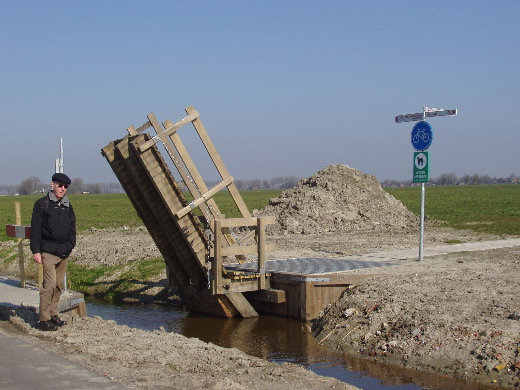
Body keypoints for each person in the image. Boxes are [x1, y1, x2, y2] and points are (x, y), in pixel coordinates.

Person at [30, 173, 76, 331]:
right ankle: (43, 319)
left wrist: (71, 245)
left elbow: (72, 228)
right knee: (48, 285)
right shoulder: (41, 204)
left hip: (64, 252)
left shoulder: (67, 206)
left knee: (58, 286)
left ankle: (53, 313)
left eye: (66, 187)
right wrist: (36, 251)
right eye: (60, 186)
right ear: (52, 185)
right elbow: (35, 229)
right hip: (48, 251)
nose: (63, 189)